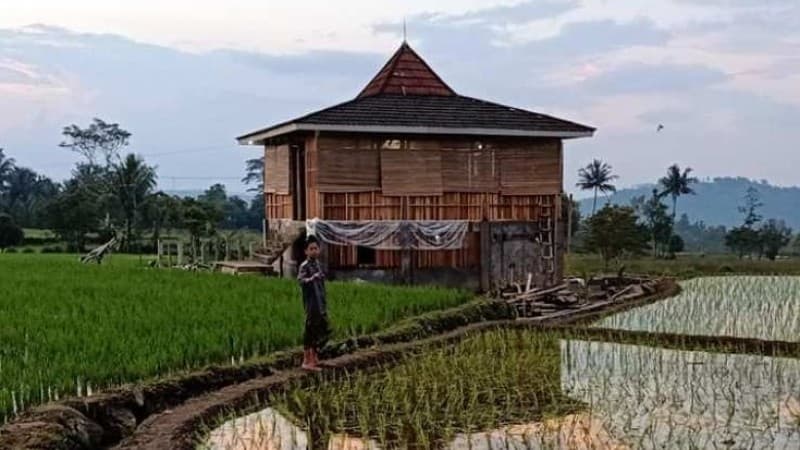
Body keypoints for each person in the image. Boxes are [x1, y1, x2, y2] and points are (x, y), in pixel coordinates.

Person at [297, 235, 331, 371]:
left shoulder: (318, 265)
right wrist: (312, 278)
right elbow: (301, 281)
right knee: (310, 331)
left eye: (316, 248)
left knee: (320, 330)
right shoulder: (304, 266)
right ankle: (307, 360)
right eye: (311, 249)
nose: (314, 251)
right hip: (311, 304)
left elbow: (322, 285)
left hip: (320, 302)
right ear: (306, 251)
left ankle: (315, 358)